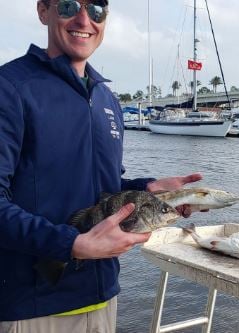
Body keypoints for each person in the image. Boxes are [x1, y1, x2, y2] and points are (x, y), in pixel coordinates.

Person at [0, 1, 203, 332]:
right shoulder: (10, 88)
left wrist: (146, 189)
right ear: (42, 11)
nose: (84, 19)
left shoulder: (107, 100)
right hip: (33, 309)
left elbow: (102, 187)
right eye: (68, 5)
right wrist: (72, 244)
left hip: (104, 298)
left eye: (96, 8)